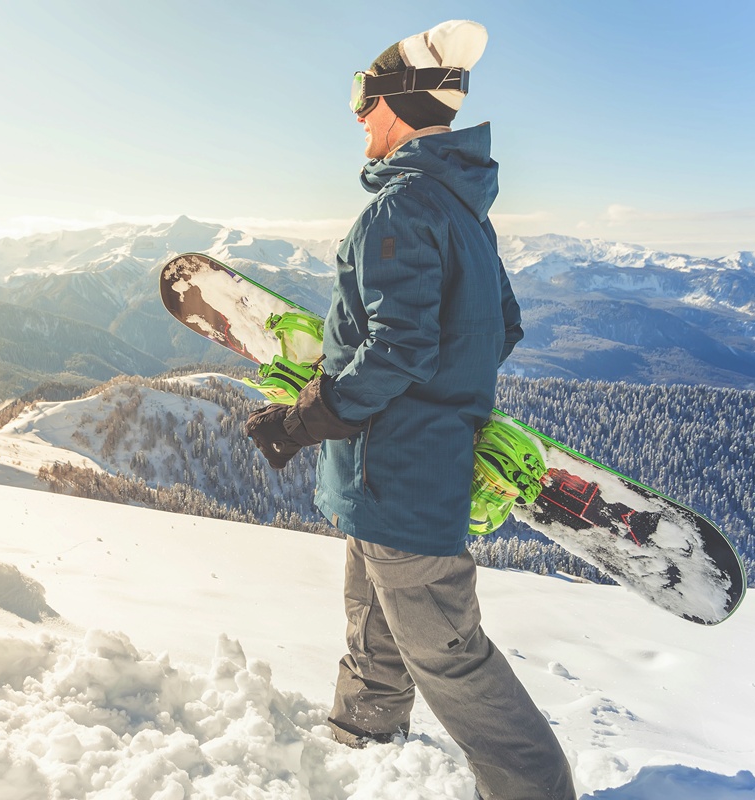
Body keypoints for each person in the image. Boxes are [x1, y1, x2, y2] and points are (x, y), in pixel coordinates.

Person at [245, 19, 577, 800]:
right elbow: (500, 326)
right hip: (388, 474)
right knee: (372, 621)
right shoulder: (463, 209)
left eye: (363, 97)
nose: (357, 114)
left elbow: (397, 348)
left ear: (396, 101)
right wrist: (437, 404)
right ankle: (362, 745)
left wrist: (308, 417)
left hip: (399, 477)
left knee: (448, 654)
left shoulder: (399, 211)